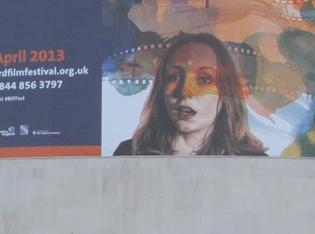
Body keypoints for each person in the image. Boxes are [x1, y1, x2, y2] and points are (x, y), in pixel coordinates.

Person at [113, 32, 267, 156]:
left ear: (226, 92)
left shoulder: (254, 162)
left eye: (204, 79)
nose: (185, 91)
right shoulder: (129, 154)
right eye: (174, 77)